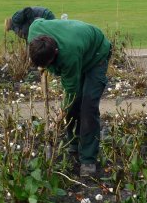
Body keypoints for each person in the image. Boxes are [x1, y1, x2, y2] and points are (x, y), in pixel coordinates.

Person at [27, 18, 111, 176]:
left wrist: (57, 120)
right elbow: (38, 18)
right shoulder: (34, 30)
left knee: (87, 106)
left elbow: (70, 94)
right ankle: (74, 141)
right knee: (73, 106)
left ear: (56, 53)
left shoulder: (69, 54)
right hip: (79, 45)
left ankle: (88, 158)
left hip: (96, 54)